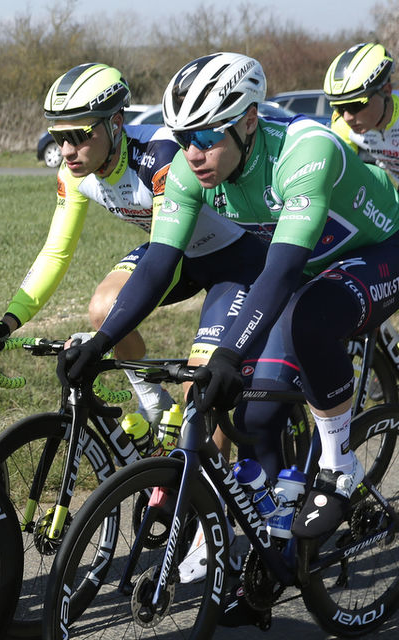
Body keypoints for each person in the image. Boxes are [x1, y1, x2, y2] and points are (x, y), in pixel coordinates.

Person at [58, 51, 399, 618]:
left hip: (377, 251)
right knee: (253, 417)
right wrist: (102, 340)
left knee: (308, 319)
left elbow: (283, 271)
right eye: (184, 137)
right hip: (314, 265)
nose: (193, 154)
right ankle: (280, 560)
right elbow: (160, 261)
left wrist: (229, 351)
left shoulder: (304, 148)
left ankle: (342, 463)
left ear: (246, 121)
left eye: (206, 137)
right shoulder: (191, 170)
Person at [0, 62, 256, 425]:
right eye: (58, 138)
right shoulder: (75, 175)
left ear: (115, 123)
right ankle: (155, 404)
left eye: (79, 135)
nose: (67, 150)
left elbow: (167, 260)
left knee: (203, 390)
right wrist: (6, 325)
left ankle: (218, 477)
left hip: (231, 261)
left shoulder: (160, 155)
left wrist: (103, 340)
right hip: (174, 253)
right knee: (105, 306)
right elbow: (56, 251)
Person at [324, 43, 399, 183]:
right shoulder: (343, 127)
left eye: (356, 105)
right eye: (339, 108)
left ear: (386, 90)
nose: (347, 117)